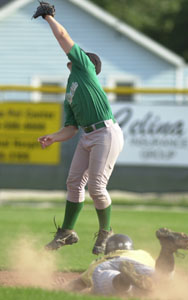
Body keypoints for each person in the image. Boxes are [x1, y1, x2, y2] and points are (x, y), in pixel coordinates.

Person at [32, 2, 124, 255]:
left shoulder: (85, 70)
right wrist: (53, 137)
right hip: (87, 135)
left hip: (106, 133)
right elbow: (71, 128)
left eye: (78, 54)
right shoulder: (71, 90)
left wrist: (49, 17)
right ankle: (67, 231)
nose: (72, 55)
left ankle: (106, 231)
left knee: (96, 187)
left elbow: (63, 37)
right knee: (73, 183)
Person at [66, 228, 188, 296]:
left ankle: (124, 278)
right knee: (162, 278)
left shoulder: (100, 260)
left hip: (110, 266)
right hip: (138, 263)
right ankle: (167, 251)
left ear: (109, 250)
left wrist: (62, 287)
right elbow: (160, 269)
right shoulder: (141, 254)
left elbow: (76, 286)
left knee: (109, 280)